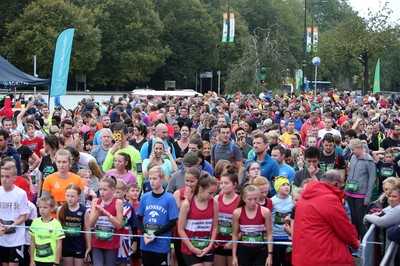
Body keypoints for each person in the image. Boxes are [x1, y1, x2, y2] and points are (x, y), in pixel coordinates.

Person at [292, 170, 359, 265]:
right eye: (341, 185)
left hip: (303, 256)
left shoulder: (303, 198)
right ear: (336, 184)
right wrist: (355, 243)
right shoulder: (329, 199)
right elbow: (344, 227)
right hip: (324, 257)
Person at [136, 166, 179, 266]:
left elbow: (173, 221)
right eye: (150, 179)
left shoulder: (169, 198)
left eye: (155, 178)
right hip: (146, 243)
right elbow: (138, 219)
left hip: (161, 244)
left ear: (162, 179)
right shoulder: (145, 197)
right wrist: (144, 233)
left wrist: (155, 234)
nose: (152, 182)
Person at [178, 174, 218, 266]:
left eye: (214, 193)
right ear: (200, 189)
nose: (212, 196)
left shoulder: (214, 202)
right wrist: (192, 248)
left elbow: (215, 226)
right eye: (210, 193)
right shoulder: (187, 204)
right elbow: (180, 229)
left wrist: (209, 246)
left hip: (207, 246)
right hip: (190, 248)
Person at [231, 185, 273, 266]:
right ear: (244, 198)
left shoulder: (265, 212)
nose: (253, 202)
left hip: (261, 250)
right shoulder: (237, 212)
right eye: (250, 199)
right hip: (244, 251)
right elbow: (235, 235)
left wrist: (270, 255)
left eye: (255, 199)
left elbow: (269, 234)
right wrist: (234, 256)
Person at [88, 176, 124, 266]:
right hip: (97, 242)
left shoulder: (118, 202)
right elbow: (90, 224)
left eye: (105, 189)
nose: (102, 192)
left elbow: (119, 226)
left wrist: (107, 213)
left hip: (111, 243)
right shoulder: (95, 201)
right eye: (100, 189)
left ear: (113, 190)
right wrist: (98, 212)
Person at [345, 138, 376, 240]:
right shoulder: (353, 157)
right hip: (350, 193)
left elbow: (372, 180)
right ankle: (355, 240)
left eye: (353, 149)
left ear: (359, 148)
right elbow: (349, 174)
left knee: (360, 219)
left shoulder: (369, 161)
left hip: (361, 194)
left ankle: (363, 241)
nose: (351, 152)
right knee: (353, 219)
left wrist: (368, 196)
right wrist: (345, 190)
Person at [0, 163, 29, 266]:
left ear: (14, 178)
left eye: (7, 176)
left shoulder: (21, 193)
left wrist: (9, 227)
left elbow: (23, 216)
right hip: (2, 238)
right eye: (2, 176)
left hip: (16, 239)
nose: (4, 179)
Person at [42, 149, 85, 216]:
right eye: (59, 162)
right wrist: (60, 209)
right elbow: (44, 202)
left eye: (64, 162)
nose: (61, 165)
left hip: (72, 218)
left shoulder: (77, 179)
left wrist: (70, 209)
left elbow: (82, 201)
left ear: (70, 163)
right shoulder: (49, 179)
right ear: (55, 162)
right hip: (54, 218)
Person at [57, 185, 91, 266]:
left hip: (79, 245)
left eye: (72, 196)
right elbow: (58, 230)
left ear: (79, 197)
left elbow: (88, 229)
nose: (69, 198)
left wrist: (89, 247)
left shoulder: (84, 210)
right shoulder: (60, 210)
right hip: (66, 244)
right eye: (67, 195)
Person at [213, 165, 240, 266]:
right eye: (221, 183)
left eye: (226, 183)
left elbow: (243, 225)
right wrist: (213, 239)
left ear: (234, 185)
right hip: (218, 243)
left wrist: (233, 242)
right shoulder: (216, 199)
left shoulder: (240, 201)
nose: (222, 186)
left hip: (233, 244)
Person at [30, 196, 65, 266]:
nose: (42, 209)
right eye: (40, 207)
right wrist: (32, 260)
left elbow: (59, 245)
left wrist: (56, 262)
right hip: (37, 259)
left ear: (52, 208)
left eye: (45, 207)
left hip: (51, 260)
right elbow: (32, 242)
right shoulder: (35, 222)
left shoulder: (56, 224)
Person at [364, 185, 400, 249]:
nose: (391, 199)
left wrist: (366, 217)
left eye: (394, 197)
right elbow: (383, 211)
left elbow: (382, 222)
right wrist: (377, 214)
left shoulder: (398, 209)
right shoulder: (393, 206)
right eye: (389, 196)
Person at [271, 177, 293, 266]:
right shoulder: (272, 201)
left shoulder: (292, 199)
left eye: (288, 184)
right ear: (277, 187)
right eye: (283, 185)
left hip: (288, 236)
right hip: (276, 235)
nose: (286, 187)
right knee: (276, 260)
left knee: (287, 262)